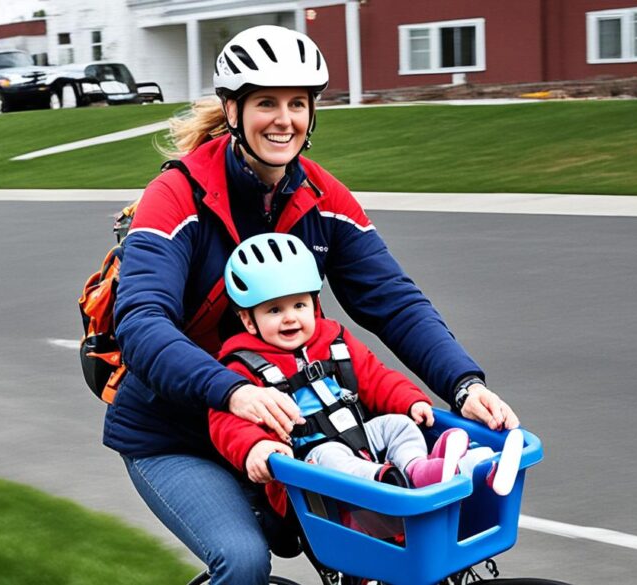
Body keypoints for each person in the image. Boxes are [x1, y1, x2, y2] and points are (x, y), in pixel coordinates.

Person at [102, 24, 520, 585]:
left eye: (297, 103)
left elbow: (393, 300)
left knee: (384, 553)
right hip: (179, 432)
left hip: (300, 427)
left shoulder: (321, 196)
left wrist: (464, 384)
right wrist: (234, 391)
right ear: (233, 111)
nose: (284, 119)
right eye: (266, 102)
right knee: (244, 563)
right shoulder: (178, 196)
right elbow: (142, 323)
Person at [210, 233, 518, 517]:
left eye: (299, 304)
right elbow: (227, 422)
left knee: (398, 425)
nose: (290, 317)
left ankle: (431, 469)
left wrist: (410, 401)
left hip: (362, 442)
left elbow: (376, 376)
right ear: (248, 321)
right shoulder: (243, 368)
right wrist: (254, 448)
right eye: (274, 310)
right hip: (311, 477)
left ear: (315, 304)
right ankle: (388, 483)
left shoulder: (335, 342)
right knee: (329, 457)